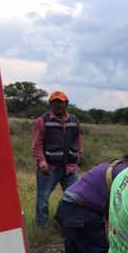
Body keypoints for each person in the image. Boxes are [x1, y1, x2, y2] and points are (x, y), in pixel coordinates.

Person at [32, 90, 83, 226]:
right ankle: (41, 228)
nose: (58, 105)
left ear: (66, 104)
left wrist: (79, 156)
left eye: (61, 102)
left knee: (73, 198)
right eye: (55, 102)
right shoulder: (42, 121)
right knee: (43, 199)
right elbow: (37, 145)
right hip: (49, 168)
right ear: (50, 104)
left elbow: (78, 140)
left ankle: (67, 225)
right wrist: (41, 163)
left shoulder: (74, 120)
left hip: (70, 167)